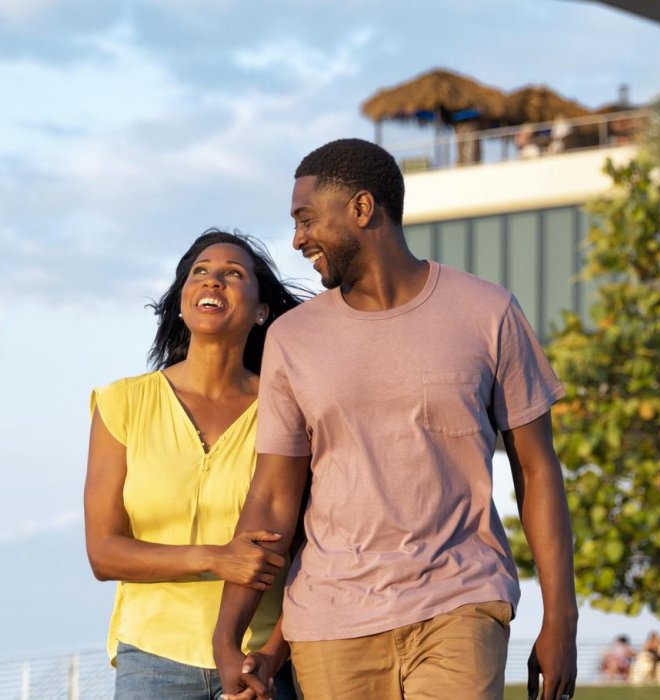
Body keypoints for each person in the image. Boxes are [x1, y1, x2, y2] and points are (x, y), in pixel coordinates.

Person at [211, 138, 579, 700]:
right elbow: (273, 497)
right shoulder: (292, 338)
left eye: (306, 219)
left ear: (362, 209)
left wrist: (562, 619)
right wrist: (227, 633)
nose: (297, 239)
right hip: (331, 623)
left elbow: (537, 469)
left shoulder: (488, 312)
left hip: (460, 600)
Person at [84, 229, 309, 700]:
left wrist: (272, 654)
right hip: (152, 660)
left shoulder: (289, 407)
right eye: (199, 273)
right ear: (183, 301)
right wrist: (216, 557)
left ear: (262, 309)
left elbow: (314, 549)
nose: (212, 282)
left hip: (259, 663)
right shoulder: (122, 402)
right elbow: (103, 553)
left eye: (232, 274)